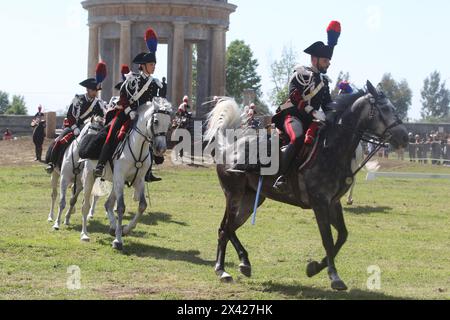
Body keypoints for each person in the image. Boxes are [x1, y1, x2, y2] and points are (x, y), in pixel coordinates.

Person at [270, 21, 341, 192]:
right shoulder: (300, 74)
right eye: (325, 60)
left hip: (312, 120)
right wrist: (312, 111)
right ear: (314, 59)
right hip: (292, 116)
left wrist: (338, 112)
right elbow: (294, 97)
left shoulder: (324, 81)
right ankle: (282, 177)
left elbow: (327, 104)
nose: (328, 64)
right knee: (298, 139)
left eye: (329, 61)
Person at [94, 27, 163, 183]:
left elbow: (155, 101)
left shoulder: (155, 83)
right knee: (111, 134)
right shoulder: (132, 80)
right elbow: (124, 96)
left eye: (154, 64)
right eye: (151, 64)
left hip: (144, 116)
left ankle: (148, 171)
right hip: (126, 114)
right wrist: (128, 110)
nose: (154, 67)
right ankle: (101, 164)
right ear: (143, 66)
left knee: (152, 136)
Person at [45, 62, 107, 174]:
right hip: (75, 127)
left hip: (90, 129)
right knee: (60, 140)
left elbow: (103, 116)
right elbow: (70, 116)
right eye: (93, 90)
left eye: (96, 91)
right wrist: (74, 128)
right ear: (88, 90)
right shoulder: (78, 100)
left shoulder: (98, 103)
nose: (95, 93)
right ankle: (52, 163)